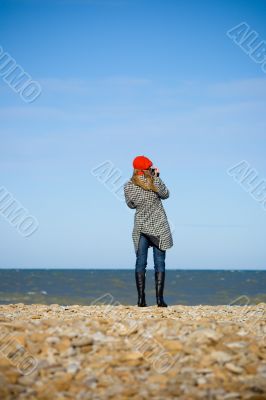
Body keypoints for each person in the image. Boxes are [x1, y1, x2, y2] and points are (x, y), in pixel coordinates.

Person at [124, 155, 173, 307]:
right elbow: (166, 195)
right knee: (159, 263)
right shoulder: (154, 181)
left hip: (141, 226)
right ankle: (160, 300)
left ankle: (141, 300)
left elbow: (131, 205)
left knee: (141, 262)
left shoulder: (128, 185)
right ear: (148, 168)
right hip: (158, 226)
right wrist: (156, 177)